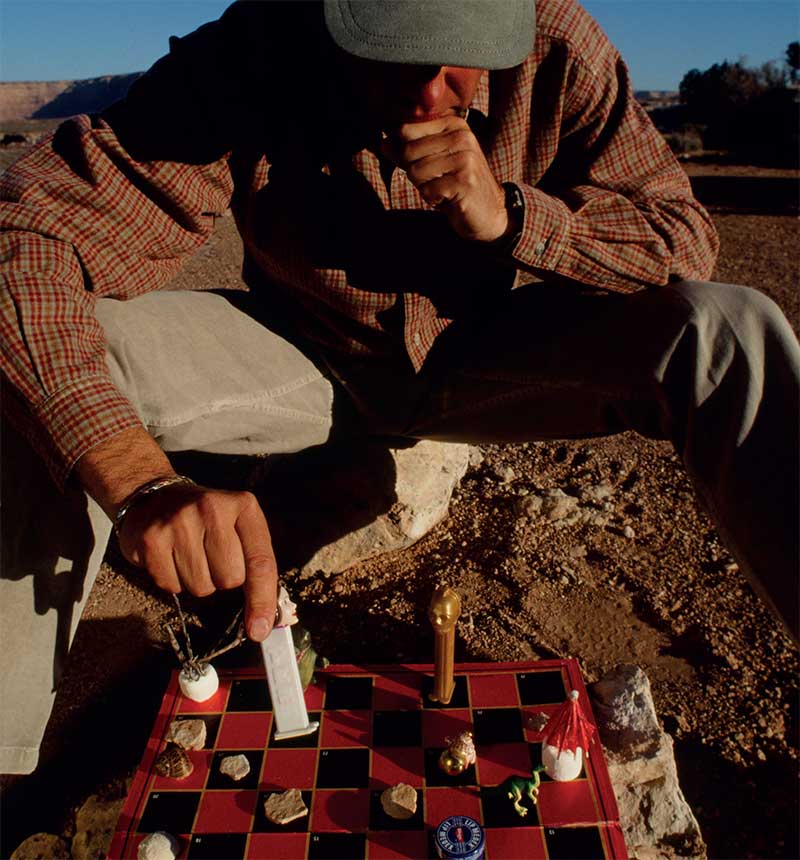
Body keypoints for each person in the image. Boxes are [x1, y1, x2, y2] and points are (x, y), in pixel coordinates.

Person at [1, 0, 797, 775]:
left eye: (458, 61)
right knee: (41, 360)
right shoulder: (256, 49)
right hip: (306, 355)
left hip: (490, 358)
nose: (425, 95)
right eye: (391, 53)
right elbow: (26, 237)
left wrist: (514, 217)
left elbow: (683, 237)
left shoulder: (555, 43)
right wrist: (135, 479)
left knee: (729, 330)